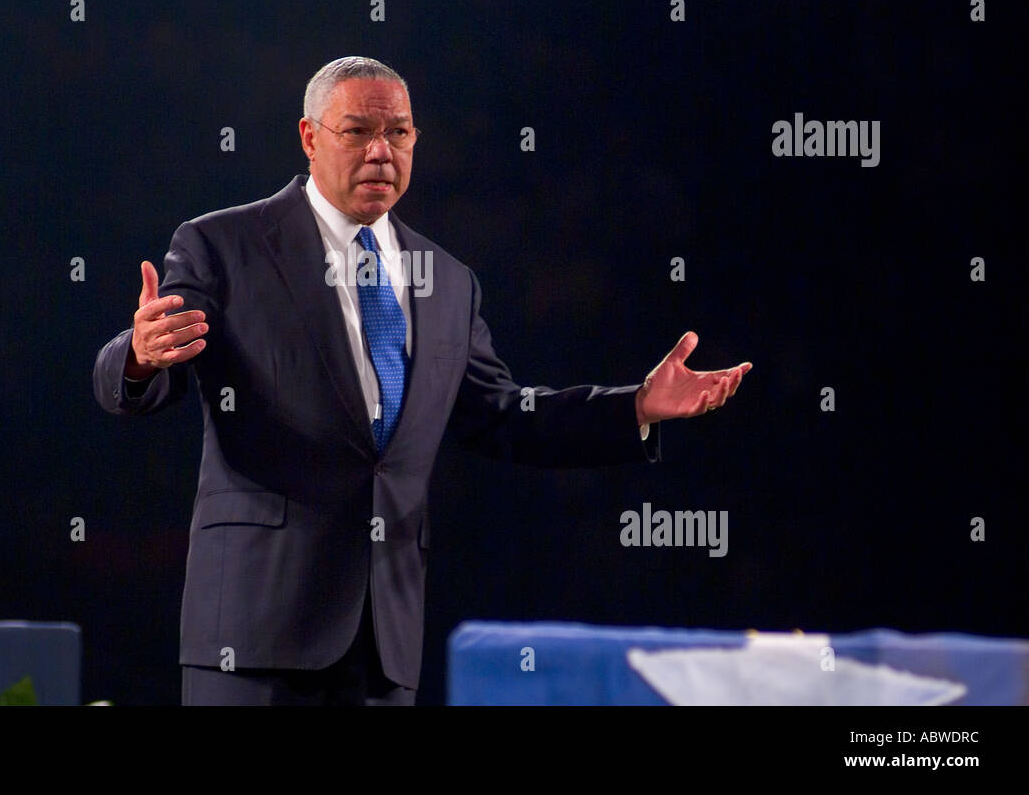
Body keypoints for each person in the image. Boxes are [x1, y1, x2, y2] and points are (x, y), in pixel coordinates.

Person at [93, 56, 751, 705]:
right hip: (252, 635)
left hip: (383, 646)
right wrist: (141, 356)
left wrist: (634, 406)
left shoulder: (448, 280)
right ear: (310, 137)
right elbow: (137, 372)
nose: (381, 151)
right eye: (358, 132)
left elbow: (500, 412)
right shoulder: (223, 244)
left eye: (399, 133)